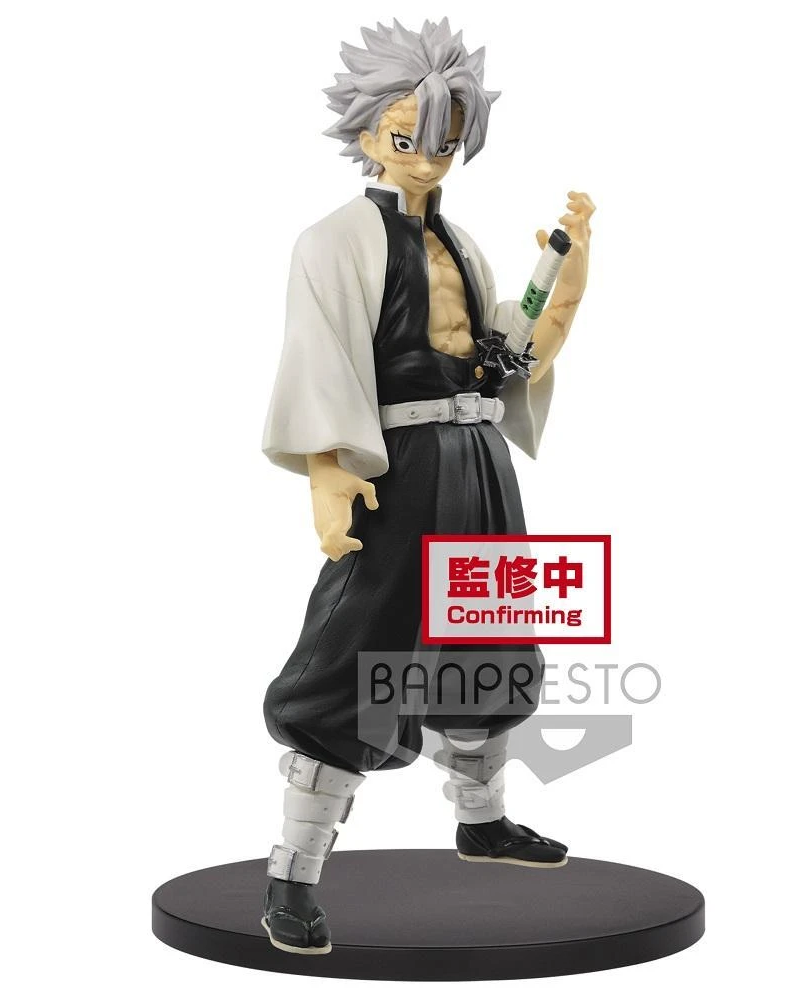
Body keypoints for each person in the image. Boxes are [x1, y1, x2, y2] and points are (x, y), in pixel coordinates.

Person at [260, 18, 594, 955]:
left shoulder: (462, 243)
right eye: (409, 137)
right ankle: (292, 871)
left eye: (446, 139)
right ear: (369, 132)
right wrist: (329, 474)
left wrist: (564, 276)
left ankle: (482, 821)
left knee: (489, 638)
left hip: (477, 462)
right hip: (399, 470)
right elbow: (322, 358)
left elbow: (507, 355)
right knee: (358, 653)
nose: (428, 155)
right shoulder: (335, 242)